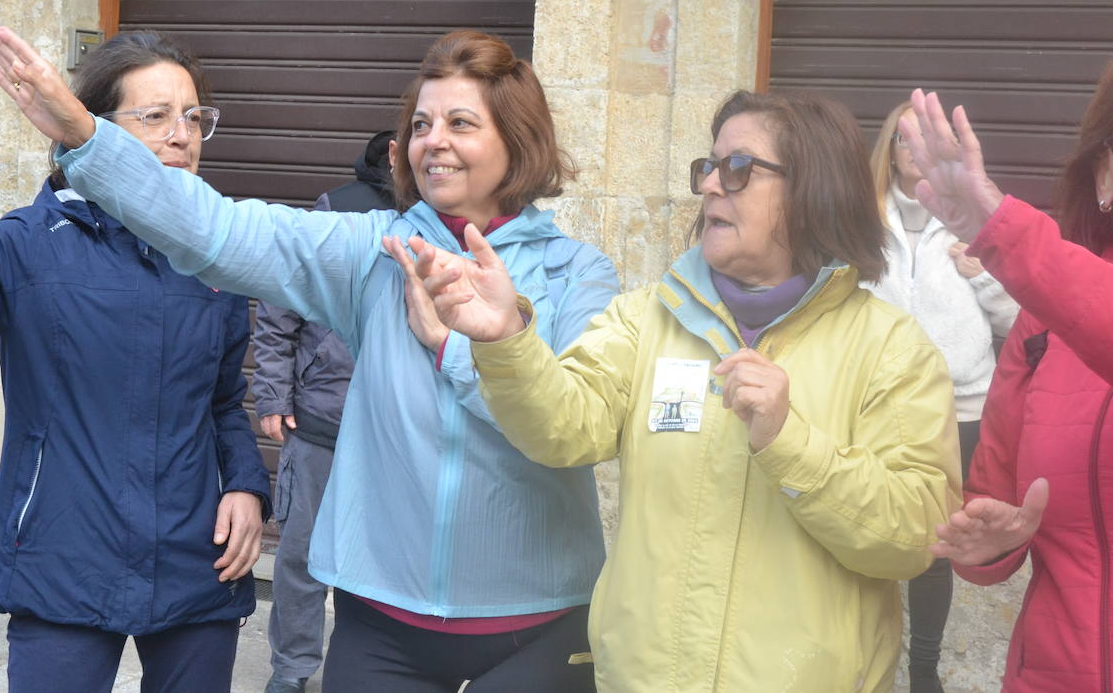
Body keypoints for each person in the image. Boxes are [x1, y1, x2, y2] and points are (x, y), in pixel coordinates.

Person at [0, 24, 621, 693]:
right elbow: (219, 230)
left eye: (460, 122)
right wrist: (90, 139)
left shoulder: (576, 273)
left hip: (538, 625)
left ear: (516, 139)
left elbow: (577, 433)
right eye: (421, 124)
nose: (432, 141)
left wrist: (462, 349)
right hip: (382, 622)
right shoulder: (377, 252)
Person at [404, 89, 962, 692]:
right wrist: (507, 340)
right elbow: (563, 430)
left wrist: (790, 442)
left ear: (812, 189)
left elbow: (912, 538)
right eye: (709, 167)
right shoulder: (649, 317)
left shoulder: (892, 349)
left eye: (739, 168)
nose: (711, 186)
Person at [0, 32, 270, 693]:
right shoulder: (27, 247)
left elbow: (220, 398)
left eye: (193, 117)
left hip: (198, 558)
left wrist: (246, 483)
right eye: (156, 115)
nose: (182, 133)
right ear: (92, 128)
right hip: (62, 553)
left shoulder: (213, 255)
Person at [908, 75, 1113, 693]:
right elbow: (992, 501)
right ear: (1102, 175)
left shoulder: (1042, 279)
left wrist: (1007, 231)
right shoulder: (1039, 326)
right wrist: (986, 543)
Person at [863, 102, 1018, 692]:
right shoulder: (861, 220)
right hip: (881, 409)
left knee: (934, 547)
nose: (913, 146)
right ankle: (866, 657)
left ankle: (923, 672)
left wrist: (980, 271)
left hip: (962, 413)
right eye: (902, 137)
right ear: (889, 148)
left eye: (925, 136)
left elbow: (1021, 314)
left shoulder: (971, 220)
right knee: (871, 530)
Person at [253, 130, 396, 693]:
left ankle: (364, 671)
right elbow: (280, 303)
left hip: (394, 435)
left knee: (380, 567)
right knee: (301, 561)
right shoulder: (338, 208)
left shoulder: (442, 216)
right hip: (320, 424)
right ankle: (291, 672)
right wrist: (272, 393)